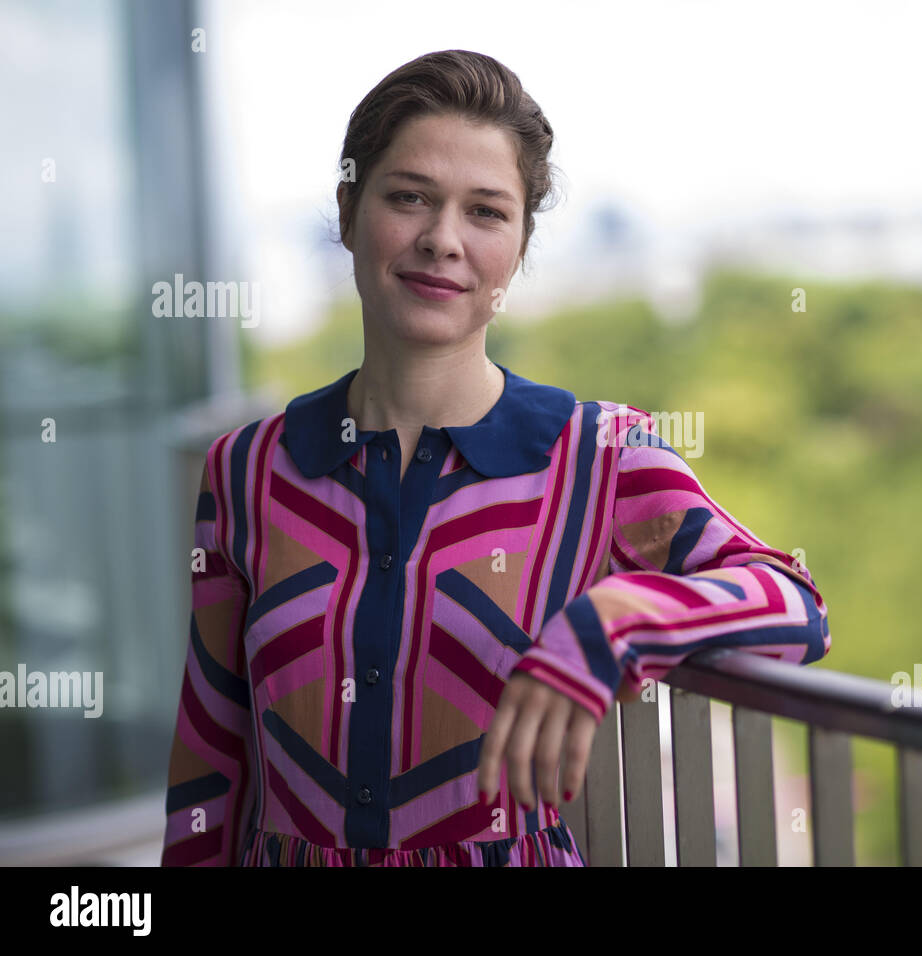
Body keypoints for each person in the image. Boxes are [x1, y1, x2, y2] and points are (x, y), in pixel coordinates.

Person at [160, 49, 831, 867]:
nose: (442, 240)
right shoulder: (245, 471)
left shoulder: (601, 455)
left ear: (518, 246)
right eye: (409, 197)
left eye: (486, 212)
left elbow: (794, 604)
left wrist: (611, 624)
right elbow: (209, 757)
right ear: (347, 210)